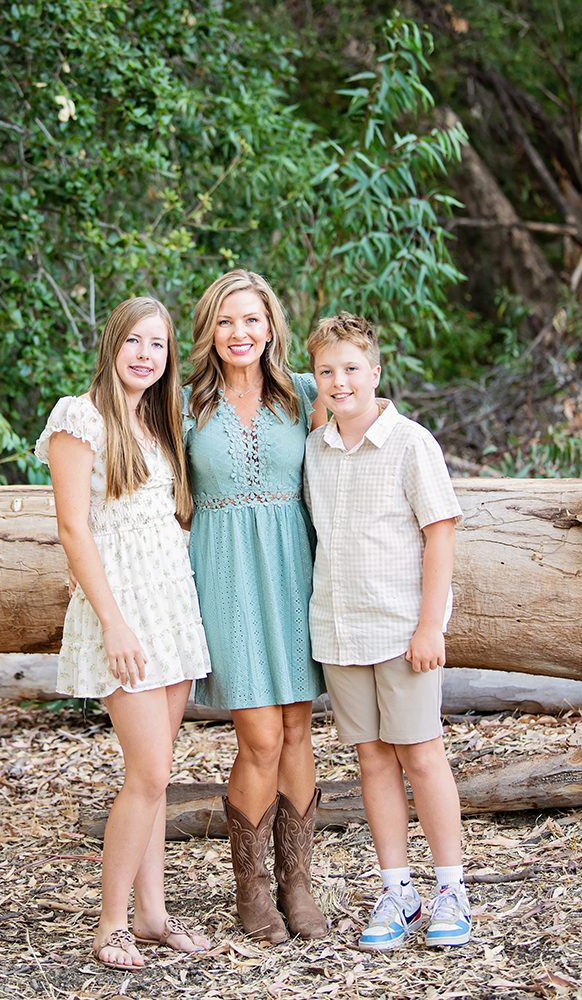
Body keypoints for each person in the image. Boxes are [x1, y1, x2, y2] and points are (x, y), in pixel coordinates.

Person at [34, 297, 212, 970]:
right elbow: (75, 529)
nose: (144, 354)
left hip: (170, 606)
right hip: (123, 612)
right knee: (149, 772)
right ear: (111, 344)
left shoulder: (157, 422)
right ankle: (109, 924)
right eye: (134, 341)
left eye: (157, 345)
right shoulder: (79, 418)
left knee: (157, 779)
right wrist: (112, 622)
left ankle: (152, 913)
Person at [304, 312, 471, 952]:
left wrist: (431, 624)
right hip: (340, 631)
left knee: (421, 754)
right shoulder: (317, 449)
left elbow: (440, 532)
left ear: (375, 372)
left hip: (402, 631)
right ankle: (397, 888)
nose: (339, 381)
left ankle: (452, 886)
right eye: (326, 371)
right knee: (372, 757)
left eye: (351, 369)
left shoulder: (409, 443)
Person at [183, 269, 328, 944]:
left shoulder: (303, 394)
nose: (239, 334)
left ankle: (298, 885)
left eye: (250, 320)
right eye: (225, 321)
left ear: (271, 325)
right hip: (224, 574)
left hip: (293, 571)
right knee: (260, 736)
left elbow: (346, 464)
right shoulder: (183, 406)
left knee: (298, 728)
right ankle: (252, 891)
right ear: (209, 330)